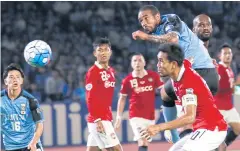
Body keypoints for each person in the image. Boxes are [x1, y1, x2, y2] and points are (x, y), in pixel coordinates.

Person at [132, 5, 219, 143]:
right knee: (166, 94)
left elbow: (173, 39)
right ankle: (175, 136)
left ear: (157, 17)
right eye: (140, 20)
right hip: (204, 74)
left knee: (186, 122)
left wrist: (146, 37)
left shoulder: (171, 20)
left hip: (199, 73)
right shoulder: (160, 34)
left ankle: (175, 138)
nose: (143, 22)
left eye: (146, 18)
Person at [141, 43, 227, 151]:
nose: (157, 65)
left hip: (212, 129)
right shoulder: (182, 66)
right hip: (202, 128)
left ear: (173, 64)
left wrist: (159, 127)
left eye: (161, 61)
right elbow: (189, 60)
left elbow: (190, 117)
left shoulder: (187, 84)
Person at [114, 53, 163, 151]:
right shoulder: (127, 80)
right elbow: (122, 98)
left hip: (150, 116)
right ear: (131, 64)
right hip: (135, 116)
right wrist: (119, 116)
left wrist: (166, 104)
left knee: (145, 142)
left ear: (144, 63)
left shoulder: (153, 76)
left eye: (140, 60)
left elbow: (163, 91)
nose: (137, 63)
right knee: (142, 140)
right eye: (135, 60)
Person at [85, 37, 122, 151]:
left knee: (93, 149)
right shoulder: (93, 72)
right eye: (100, 50)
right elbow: (90, 98)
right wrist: (97, 120)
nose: (103, 52)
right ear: (95, 53)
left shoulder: (111, 71)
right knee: (116, 149)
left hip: (106, 116)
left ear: (110, 52)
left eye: (106, 49)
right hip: (99, 119)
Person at [1, 63, 44, 151]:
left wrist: (33, 142)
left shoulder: (31, 100)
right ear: (5, 81)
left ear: (21, 81)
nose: (15, 80)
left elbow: (39, 125)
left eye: (18, 77)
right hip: (11, 147)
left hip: (30, 145)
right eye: (11, 77)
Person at [214, 44, 240, 151]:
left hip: (229, 107)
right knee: (216, 139)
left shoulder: (230, 69)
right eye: (225, 53)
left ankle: (223, 145)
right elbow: (218, 88)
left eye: (229, 53)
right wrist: (236, 84)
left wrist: (237, 86)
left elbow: (233, 90)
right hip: (218, 109)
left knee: (237, 129)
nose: (228, 55)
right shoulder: (218, 69)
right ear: (220, 56)